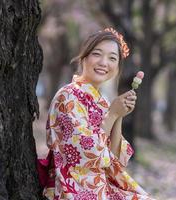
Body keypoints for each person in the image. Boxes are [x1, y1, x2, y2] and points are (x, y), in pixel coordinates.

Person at [42, 28, 154, 200]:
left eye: (112, 58)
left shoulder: (102, 101)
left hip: (98, 182)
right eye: (97, 54)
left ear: (117, 67)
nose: (104, 62)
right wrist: (112, 114)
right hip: (74, 185)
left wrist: (118, 115)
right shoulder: (68, 96)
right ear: (84, 56)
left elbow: (115, 160)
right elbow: (87, 152)